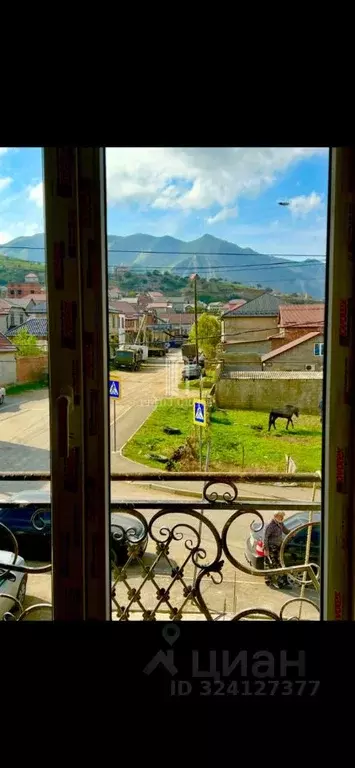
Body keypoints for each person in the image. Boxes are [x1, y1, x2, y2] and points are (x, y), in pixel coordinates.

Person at [264, 512, 292, 589]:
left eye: (283, 516)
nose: (282, 518)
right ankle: (270, 582)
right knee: (272, 565)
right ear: (276, 516)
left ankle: (280, 583)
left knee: (278, 565)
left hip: (277, 547)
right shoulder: (270, 525)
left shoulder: (280, 523)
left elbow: (286, 531)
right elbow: (265, 538)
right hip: (271, 548)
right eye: (281, 516)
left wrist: (292, 532)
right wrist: (266, 550)